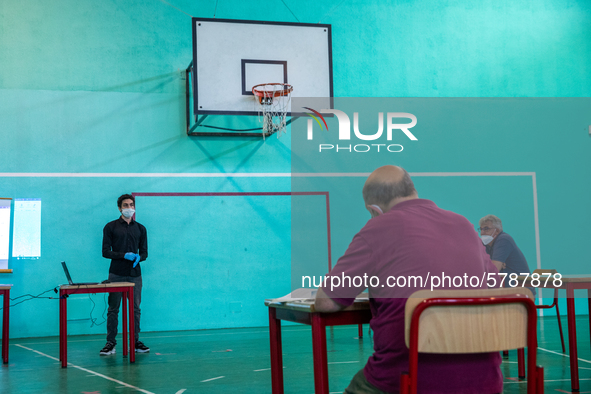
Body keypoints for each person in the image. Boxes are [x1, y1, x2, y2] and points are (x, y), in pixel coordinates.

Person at [314, 165, 502, 394]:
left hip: (409, 378)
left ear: (373, 209)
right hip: (486, 381)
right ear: (413, 190)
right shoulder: (464, 224)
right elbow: (496, 287)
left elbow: (326, 301)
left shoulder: (377, 227)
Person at [100, 194, 150, 355]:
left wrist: (138, 258)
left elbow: (144, 252)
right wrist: (124, 255)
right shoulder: (110, 227)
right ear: (120, 208)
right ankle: (111, 343)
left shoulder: (141, 228)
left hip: (135, 274)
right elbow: (105, 252)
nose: (129, 208)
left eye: (131, 205)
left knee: (135, 309)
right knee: (113, 309)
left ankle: (135, 342)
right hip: (116, 274)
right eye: (125, 205)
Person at [478, 214, 535, 296]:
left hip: (521, 292)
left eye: (486, 229)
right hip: (504, 290)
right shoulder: (485, 244)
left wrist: (491, 265)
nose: (482, 232)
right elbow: (480, 266)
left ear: (497, 231)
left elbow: (494, 270)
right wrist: (491, 265)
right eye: (481, 229)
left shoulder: (503, 239)